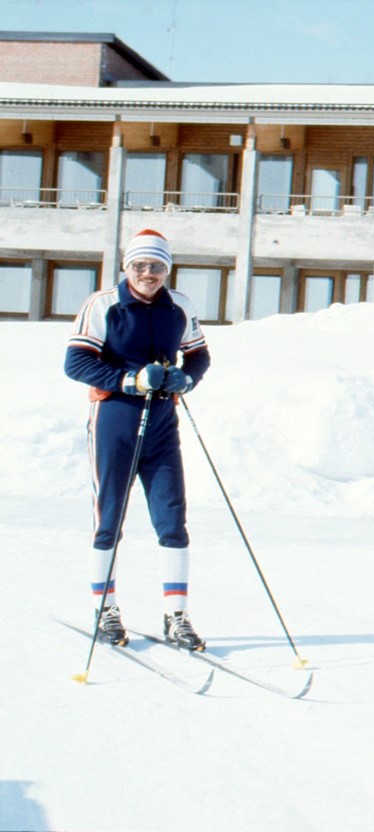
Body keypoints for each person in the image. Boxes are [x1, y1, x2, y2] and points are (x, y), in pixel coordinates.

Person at [64, 229, 211, 651]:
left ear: (167, 269)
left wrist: (187, 377)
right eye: (141, 265)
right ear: (127, 267)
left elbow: (199, 354)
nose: (149, 274)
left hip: (163, 422)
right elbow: (75, 361)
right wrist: (126, 380)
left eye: (158, 266)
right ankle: (106, 610)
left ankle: (176, 617)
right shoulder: (103, 304)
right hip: (115, 418)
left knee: (172, 520)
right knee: (108, 519)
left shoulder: (178, 306)